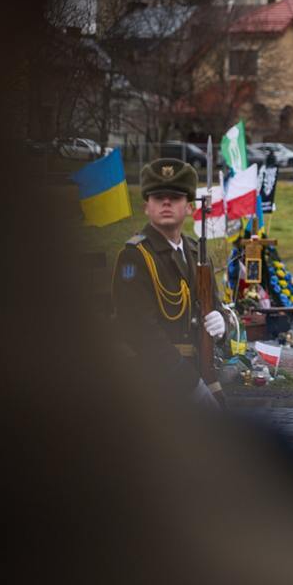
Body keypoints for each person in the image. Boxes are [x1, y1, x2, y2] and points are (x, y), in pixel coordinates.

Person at [112, 157, 228, 406]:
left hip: (200, 370)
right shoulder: (135, 256)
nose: (166, 202)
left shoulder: (197, 252)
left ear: (189, 207)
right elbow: (138, 329)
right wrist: (188, 383)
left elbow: (213, 305)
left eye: (174, 197)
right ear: (147, 207)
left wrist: (222, 324)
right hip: (156, 380)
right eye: (158, 197)